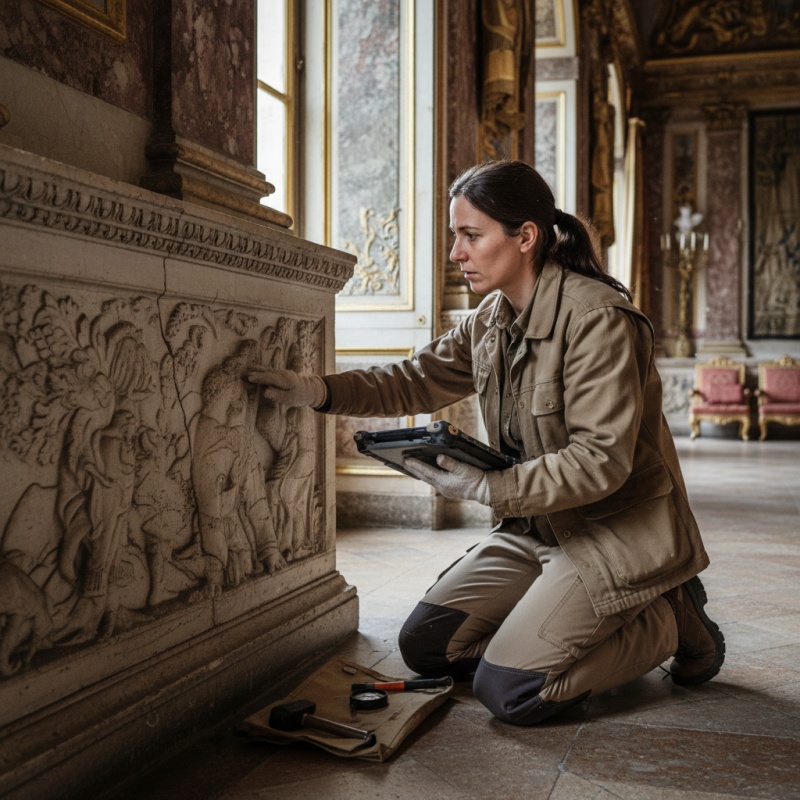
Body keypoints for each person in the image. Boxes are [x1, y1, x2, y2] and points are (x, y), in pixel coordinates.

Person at [247, 159, 725, 725]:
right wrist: (317, 390)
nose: (456, 253)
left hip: (611, 534)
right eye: (456, 235)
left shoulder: (598, 320)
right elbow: (413, 379)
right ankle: (552, 630)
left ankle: (666, 617)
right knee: (427, 647)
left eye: (471, 235)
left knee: (511, 693)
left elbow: (599, 461)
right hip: (536, 528)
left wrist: (486, 487)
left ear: (525, 237)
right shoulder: (490, 319)